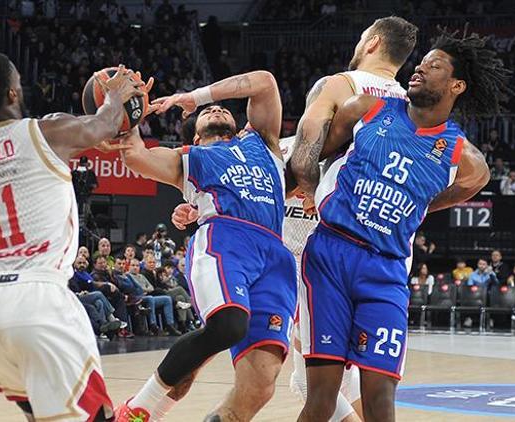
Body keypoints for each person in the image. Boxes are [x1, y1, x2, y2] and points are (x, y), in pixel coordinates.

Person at [171, 17, 418, 421]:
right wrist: (198, 209)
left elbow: (296, 164)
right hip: (383, 255)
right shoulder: (410, 109)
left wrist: (310, 188)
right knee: (355, 386)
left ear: (372, 43)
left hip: (323, 257)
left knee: (316, 382)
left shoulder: (335, 93)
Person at [290, 27, 510, 421]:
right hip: (330, 255)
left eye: (434, 66)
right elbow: (311, 156)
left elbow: (469, 186)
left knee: (380, 402)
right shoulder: (365, 107)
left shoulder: (466, 157)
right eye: (421, 62)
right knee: (320, 397)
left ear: (457, 85)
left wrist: (419, 205)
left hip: (386, 270)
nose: (420, 69)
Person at [0, 52, 148, 421]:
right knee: (99, 415)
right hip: (38, 300)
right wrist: (116, 96)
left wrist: (81, 138)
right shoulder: (42, 133)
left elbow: (34, 152)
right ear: (12, 93)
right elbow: (103, 123)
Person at [115, 69, 296, 422]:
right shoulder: (191, 158)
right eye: (206, 112)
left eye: (221, 108)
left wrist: (195, 97)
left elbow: (265, 82)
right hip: (226, 240)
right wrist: (128, 112)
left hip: (276, 254)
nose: (215, 109)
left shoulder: (263, 142)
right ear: (195, 136)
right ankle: (138, 409)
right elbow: (134, 155)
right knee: (229, 325)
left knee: (260, 384)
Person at [125, 258, 181, 336]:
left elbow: (151, 288)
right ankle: (153, 325)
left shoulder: (141, 276)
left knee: (167, 299)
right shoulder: (128, 276)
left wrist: (145, 290)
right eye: (133, 265)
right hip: (137, 298)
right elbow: (138, 289)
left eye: (137, 266)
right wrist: (145, 289)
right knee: (150, 298)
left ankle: (170, 325)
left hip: (147, 296)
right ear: (129, 266)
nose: (135, 267)